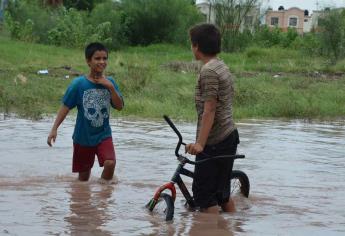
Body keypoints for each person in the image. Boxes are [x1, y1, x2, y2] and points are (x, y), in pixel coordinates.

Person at [47, 42, 124, 181]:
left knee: (110, 163)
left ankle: (103, 196)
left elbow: (119, 106)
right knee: (83, 180)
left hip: (103, 134)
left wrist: (111, 88)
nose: (102, 62)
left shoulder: (110, 82)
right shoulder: (78, 84)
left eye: (104, 58)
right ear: (88, 61)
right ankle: (83, 202)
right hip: (83, 138)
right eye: (97, 58)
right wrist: (54, 129)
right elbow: (65, 107)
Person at [185, 23, 240, 214]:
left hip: (215, 141)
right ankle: (230, 227)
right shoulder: (221, 65)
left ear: (197, 46)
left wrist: (200, 144)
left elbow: (210, 110)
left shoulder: (208, 71)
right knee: (222, 195)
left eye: (192, 44)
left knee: (205, 198)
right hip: (228, 135)